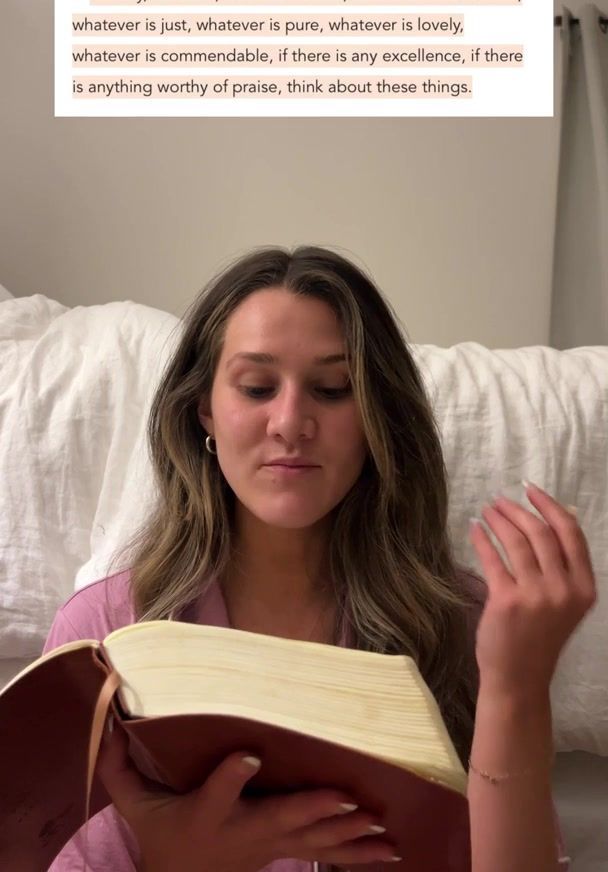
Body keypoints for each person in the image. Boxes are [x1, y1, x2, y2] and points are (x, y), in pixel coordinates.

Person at [42, 245, 594, 871]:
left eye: (333, 390)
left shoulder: (469, 623)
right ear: (204, 411)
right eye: (256, 387)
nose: (290, 422)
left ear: (375, 418)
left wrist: (515, 691)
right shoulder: (105, 633)